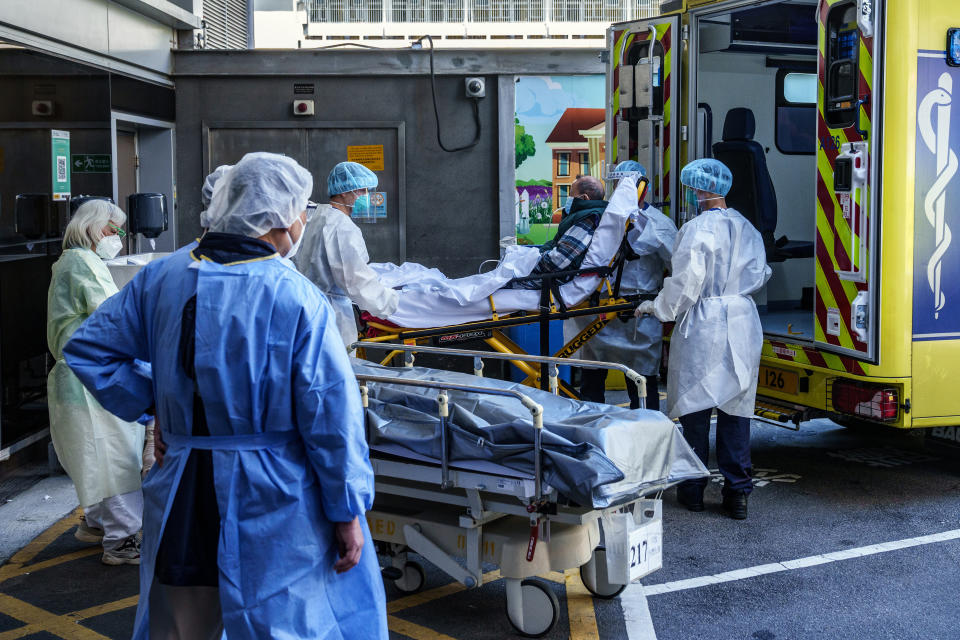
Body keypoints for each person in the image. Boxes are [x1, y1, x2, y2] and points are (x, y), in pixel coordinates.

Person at [63, 152, 388, 639]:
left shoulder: (161, 277)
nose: (303, 221)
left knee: (185, 620)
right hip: (272, 492)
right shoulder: (296, 297)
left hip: (182, 486)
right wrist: (346, 511)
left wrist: (165, 407)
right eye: (301, 211)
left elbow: (89, 350)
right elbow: (329, 417)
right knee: (284, 622)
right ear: (280, 217)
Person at [636, 158, 770, 520]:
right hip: (742, 321)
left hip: (704, 322)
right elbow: (761, 272)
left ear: (698, 189)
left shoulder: (696, 230)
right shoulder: (747, 228)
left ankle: (692, 489)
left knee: (695, 409)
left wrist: (656, 307)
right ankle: (738, 494)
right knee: (736, 411)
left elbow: (686, 284)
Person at [47, 200, 144, 565]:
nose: (116, 238)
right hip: (91, 378)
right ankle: (121, 541)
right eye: (112, 230)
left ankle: (96, 524)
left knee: (96, 456)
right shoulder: (81, 262)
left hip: (77, 376)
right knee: (116, 457)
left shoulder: (71, 261)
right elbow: (110, 312)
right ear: (92, 227)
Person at [575, 162, 676, 411]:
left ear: (642, 187)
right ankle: (592, 430)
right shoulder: (604, 219)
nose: (621, 190)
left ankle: (646, 435)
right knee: (593, 378)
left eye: (626, 185)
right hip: (601, 312)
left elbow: (679, 268)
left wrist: (664, 304)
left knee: (641, 384)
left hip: (638, 314)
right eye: (617, 185)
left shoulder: (657, 225)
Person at [294, 161, 399, 351]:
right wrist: (392, 303)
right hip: (333, 318)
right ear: (344, 191)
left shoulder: (316, 215)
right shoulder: (342, 227)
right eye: (362, 191)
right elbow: (356, 281)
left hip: (305, 310)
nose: (367, 196)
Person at [514, 175, 608, 289]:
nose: (568, 199)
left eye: (571, 195)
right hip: (554, 273)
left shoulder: (589, 219)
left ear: (584, 198)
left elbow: (557, 261)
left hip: (556, 278)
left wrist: (526, 264)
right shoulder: (582, 215)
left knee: (503, 281)